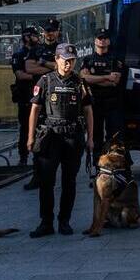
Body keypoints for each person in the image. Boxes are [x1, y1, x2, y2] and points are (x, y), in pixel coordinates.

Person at [27, 43, 93, 237]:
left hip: (73, 135)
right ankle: (46, 223)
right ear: (56, 59)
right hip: (50, 136)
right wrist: (30, 137)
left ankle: (64, 220)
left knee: (69, 181)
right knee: (46, 182)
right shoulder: (45, 81)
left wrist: (90, 138)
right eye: (65, 60)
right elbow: (35, 110)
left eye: (72, 61)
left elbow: (89, 110)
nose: (68, 64)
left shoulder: (80, 82)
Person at [22, 18, 63, 190]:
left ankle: (55, 174)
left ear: (57, 31)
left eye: (52, 30)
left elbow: (64, 68)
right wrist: (53, 67)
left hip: (58, 100)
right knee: (39, 140)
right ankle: (37, 176)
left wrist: (44, 63)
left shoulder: (62, 49)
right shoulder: (36, 49)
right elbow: (29, 68)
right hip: (40, 98)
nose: (50, 33)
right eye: (47, 30)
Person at [79, 29, 127, 161]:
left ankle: (113, 164)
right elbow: (84, 79)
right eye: (100, 38)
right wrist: (106, 77)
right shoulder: (88, 60)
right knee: (96, 135)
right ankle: (97, 164)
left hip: (112, 103)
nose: (102, 40)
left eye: (105, 38)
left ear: (109, 41)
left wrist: (93, 78)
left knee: (114, 136)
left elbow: (115, 81)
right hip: (95, 103)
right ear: (95, 40)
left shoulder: (115, 59)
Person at [10, 26, 40, 177]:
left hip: (39, 96)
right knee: (25, 128)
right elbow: (20, 75)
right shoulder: (18, 55)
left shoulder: (39, 52)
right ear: (27, 37)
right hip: (25, 96)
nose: (37, 38)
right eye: (34, 36)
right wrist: (38, 75)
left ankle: (39, 157)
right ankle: (23, 157)